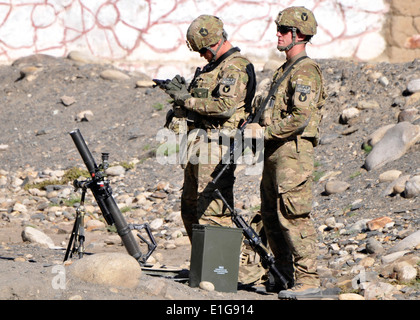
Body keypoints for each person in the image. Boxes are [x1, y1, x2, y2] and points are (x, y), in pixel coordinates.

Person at [247, 6, 327, 299]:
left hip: (292, 154)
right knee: (270, 215)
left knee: (293, 215)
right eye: (278, 29)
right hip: (274, 152)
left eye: (284, 31)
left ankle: (309, 279)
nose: (278, 35)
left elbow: (300, 118)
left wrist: (263, 132)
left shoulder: (306, 70)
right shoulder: (286, 69)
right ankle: (282, 275)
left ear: (299, 35)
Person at [163, 15, 256, 241]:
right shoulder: (213, 67)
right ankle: (202, 267)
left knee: (212, 214)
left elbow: (225, 107)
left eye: (203, 50)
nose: (201, 55)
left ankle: (218, 271)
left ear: (214, 41)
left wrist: (186, 99)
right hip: (198, 145)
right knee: (190, 210)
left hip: (217, 147)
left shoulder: (235, 67)